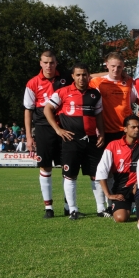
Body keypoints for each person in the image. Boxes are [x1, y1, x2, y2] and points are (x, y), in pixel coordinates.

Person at [43, 63, 104, 221]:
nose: (81, 78)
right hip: (71, 141)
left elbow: (98, 116)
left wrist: (101, 133)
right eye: (78, 75)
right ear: (72, 77)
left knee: (96, 175)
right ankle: (73, 210)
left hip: (91, 140)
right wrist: (58, 130)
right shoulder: (62, 92)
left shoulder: (95, 94)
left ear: (88, 76)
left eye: (84, 75)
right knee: (70, 176)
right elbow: (47, 109)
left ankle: (101, 208)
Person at [23, 50, 73, 218]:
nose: (49, 66)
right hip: (43, 128)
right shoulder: (32, 83)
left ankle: (69, 205)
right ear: (40, 63)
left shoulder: (66, 79)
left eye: (52, 62)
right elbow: (28, 110)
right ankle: (49, 208)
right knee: (45, 167)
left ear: (56, 63)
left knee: (67, 167)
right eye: (45, 62)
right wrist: (29, 137)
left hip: (64, 126)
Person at [95, 115, 139, 223]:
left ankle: (138, 205)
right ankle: (131, 206)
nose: (137, 129)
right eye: (133, 127)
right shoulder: (113, 145)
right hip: (121, 189)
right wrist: (108, 195)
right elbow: (101, 171)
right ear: (125, 129)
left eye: (138, 127)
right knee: (120, 218)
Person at [90, 52, 136, 144]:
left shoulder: (129, 81)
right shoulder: (98, 81)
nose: (116, 69)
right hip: (106, 130)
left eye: (119, 67)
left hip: (125, 129)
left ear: (123, 66)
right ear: (107, 65)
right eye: (113, 66)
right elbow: (87, 76)